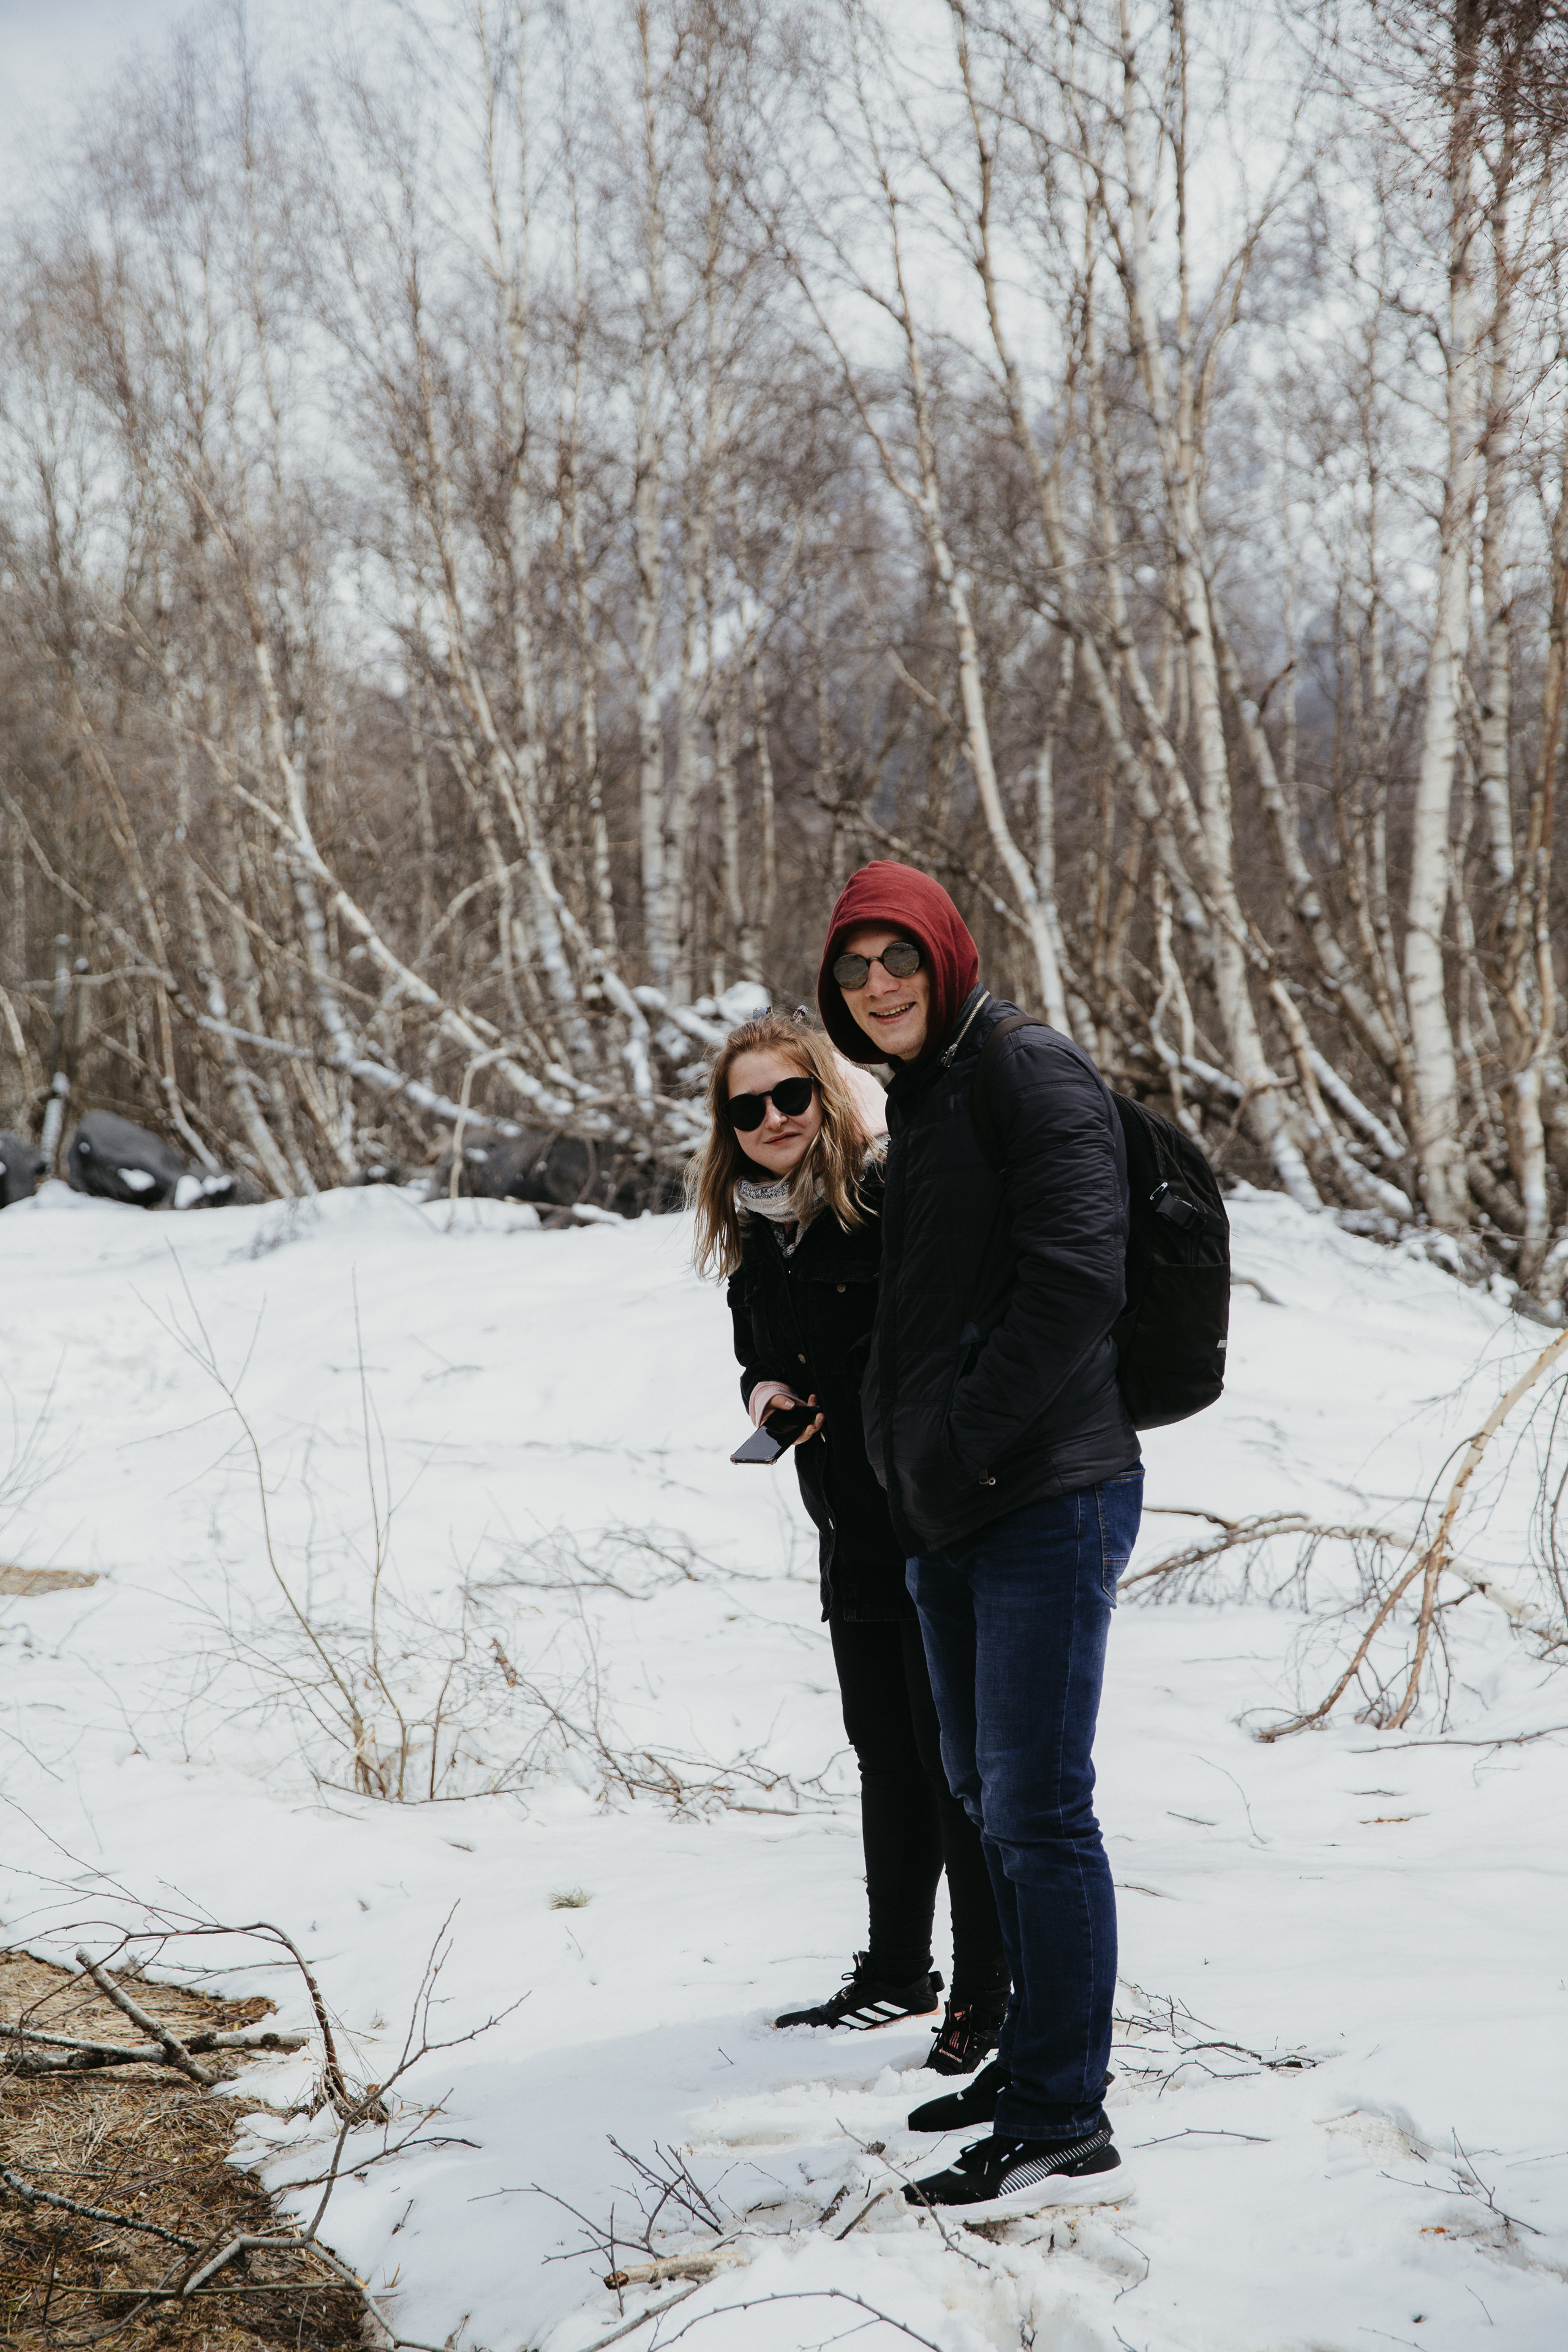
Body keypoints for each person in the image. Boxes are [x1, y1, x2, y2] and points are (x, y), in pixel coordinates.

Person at [816, 861, 1142, 2217]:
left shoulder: (1025, 1072)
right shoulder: (928, 1094)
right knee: (982, 1794)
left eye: (897, 959)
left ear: (945, 956)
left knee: (1038, 1808)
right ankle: (1025, 2071)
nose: (876, 985)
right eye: (851, 968)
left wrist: (957, 1443)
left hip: (1040, 1498)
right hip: (950, 1511)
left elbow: (1076, 1281)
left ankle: (1064, 2112)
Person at [689, 1012, 1010, 2072]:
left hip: (926, 1517)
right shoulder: (756, 1219)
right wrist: (768, 1387)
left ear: (826, 1095)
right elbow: (763, 1344)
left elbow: (938, 1332)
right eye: (749, 1107)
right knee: (884, 1754)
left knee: (949, 1760)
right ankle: (894, 1971)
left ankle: (983, 1996)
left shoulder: (880, 1196)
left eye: (792, 1095)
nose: (774, 1119)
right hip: (846, 1520)